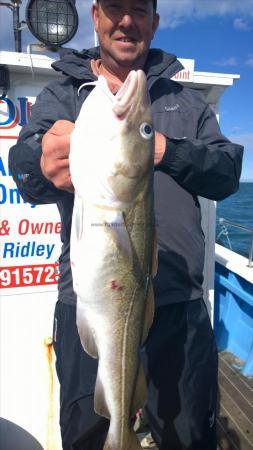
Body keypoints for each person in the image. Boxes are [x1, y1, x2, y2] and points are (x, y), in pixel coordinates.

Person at [9, 0, 243, 449]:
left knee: (190, 436)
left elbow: (227, 172)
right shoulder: (63, 95)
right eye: (116, 7)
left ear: (154, 23)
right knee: (87, 434)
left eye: (140, 9)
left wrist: (164, 150)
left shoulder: (186, 101)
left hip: (179, 305)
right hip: (88, 301)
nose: (127, 21)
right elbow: (25, 168)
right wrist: (39, 161)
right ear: (96, 16)